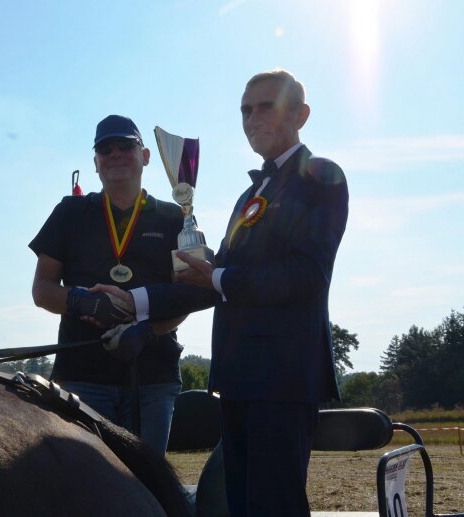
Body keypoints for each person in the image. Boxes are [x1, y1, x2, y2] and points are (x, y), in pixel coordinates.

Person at [95, 69, 349, 516]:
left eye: (265, 106)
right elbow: (213, 281)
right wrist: (133, 303)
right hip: (238, 379)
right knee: (244, 507)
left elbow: (305, 275)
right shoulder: (251, 192)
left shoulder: (321, 176)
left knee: (274, 507)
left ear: (301, 114)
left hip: (283, 378)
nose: (252, 118)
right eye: (245, 110)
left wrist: (216, 277)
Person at [28, 115, 188, 456]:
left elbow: (185, 296)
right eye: (105, 149)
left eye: (125, 146)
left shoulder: (174, 217)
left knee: (146, 492)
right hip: (83, 378)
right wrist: (83, 302)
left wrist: (147, 331)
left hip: (152, 378)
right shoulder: (70, 212)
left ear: (145, 156)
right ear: (95, 163)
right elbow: (42, 289)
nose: (115, 154)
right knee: (87, 492)